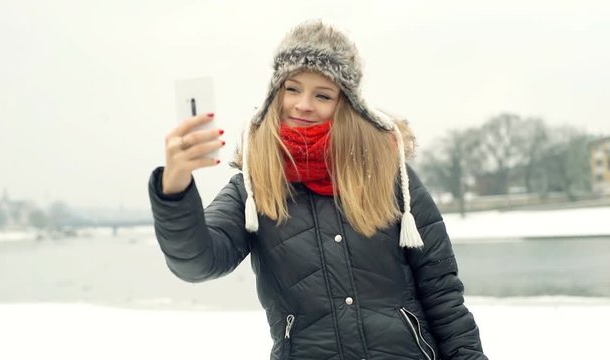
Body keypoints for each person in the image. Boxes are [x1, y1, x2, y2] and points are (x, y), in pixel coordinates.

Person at [149, 20, 488, 360]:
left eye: (322, 95)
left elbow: (443, 295)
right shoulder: (253, 188)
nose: (303, 104)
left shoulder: (388, 174)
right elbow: (196, 263)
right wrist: (175, 187)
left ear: (346, 104)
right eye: (292, 89)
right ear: (274, 93)